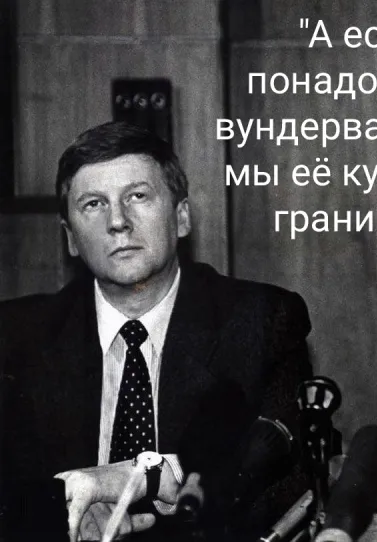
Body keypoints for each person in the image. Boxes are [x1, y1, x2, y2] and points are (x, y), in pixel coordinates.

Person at [0, 122, 312, 540]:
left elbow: (281, 486)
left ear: (181, 217)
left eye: (138, 196)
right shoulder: (16, 337)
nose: (118, 222)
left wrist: (137, 478)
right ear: (70, 238)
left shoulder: (261, 321)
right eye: (93, 204)